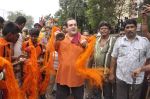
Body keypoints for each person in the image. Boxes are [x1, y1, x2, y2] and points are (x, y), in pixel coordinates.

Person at [109, 19, 150, 99]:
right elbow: (113, 58)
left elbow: (149, 59)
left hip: (137, 79)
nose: (130, 29)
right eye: (127, 27)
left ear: (136, 28)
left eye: (132, 27)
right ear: (124, 29)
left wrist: (143, 70)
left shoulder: (144, 42)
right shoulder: (119, 41)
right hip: (121, 78)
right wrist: (111, 73)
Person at [55, 18, 87, 99]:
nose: (73, 27)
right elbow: (52, 48)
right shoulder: (60, 38)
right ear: (66, 28)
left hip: (78, 76)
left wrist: (86, 45)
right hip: (63, 76)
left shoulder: (83, 39)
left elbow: (91, 52)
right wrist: (55, 38)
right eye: (70, 25)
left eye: (75, 25)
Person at [87, 21, 116, 99]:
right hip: (96, 72)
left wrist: (112, 74)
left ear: (109, 30)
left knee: (108, 94)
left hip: (108, 73)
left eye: (106, 28)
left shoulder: (114, 41)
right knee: (96, 94)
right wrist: (88, 70)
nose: (103, 30)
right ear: (99, 30)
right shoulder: (95, 41)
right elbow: (91, 56)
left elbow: (116, 58)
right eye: (102, 28)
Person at [0, 21, 20, 99]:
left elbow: (5, 60)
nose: (16, 38)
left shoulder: (7, 44)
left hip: (5, 81)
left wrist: (16, 59)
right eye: (16, 36)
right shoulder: (1, 45)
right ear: (10, 35)